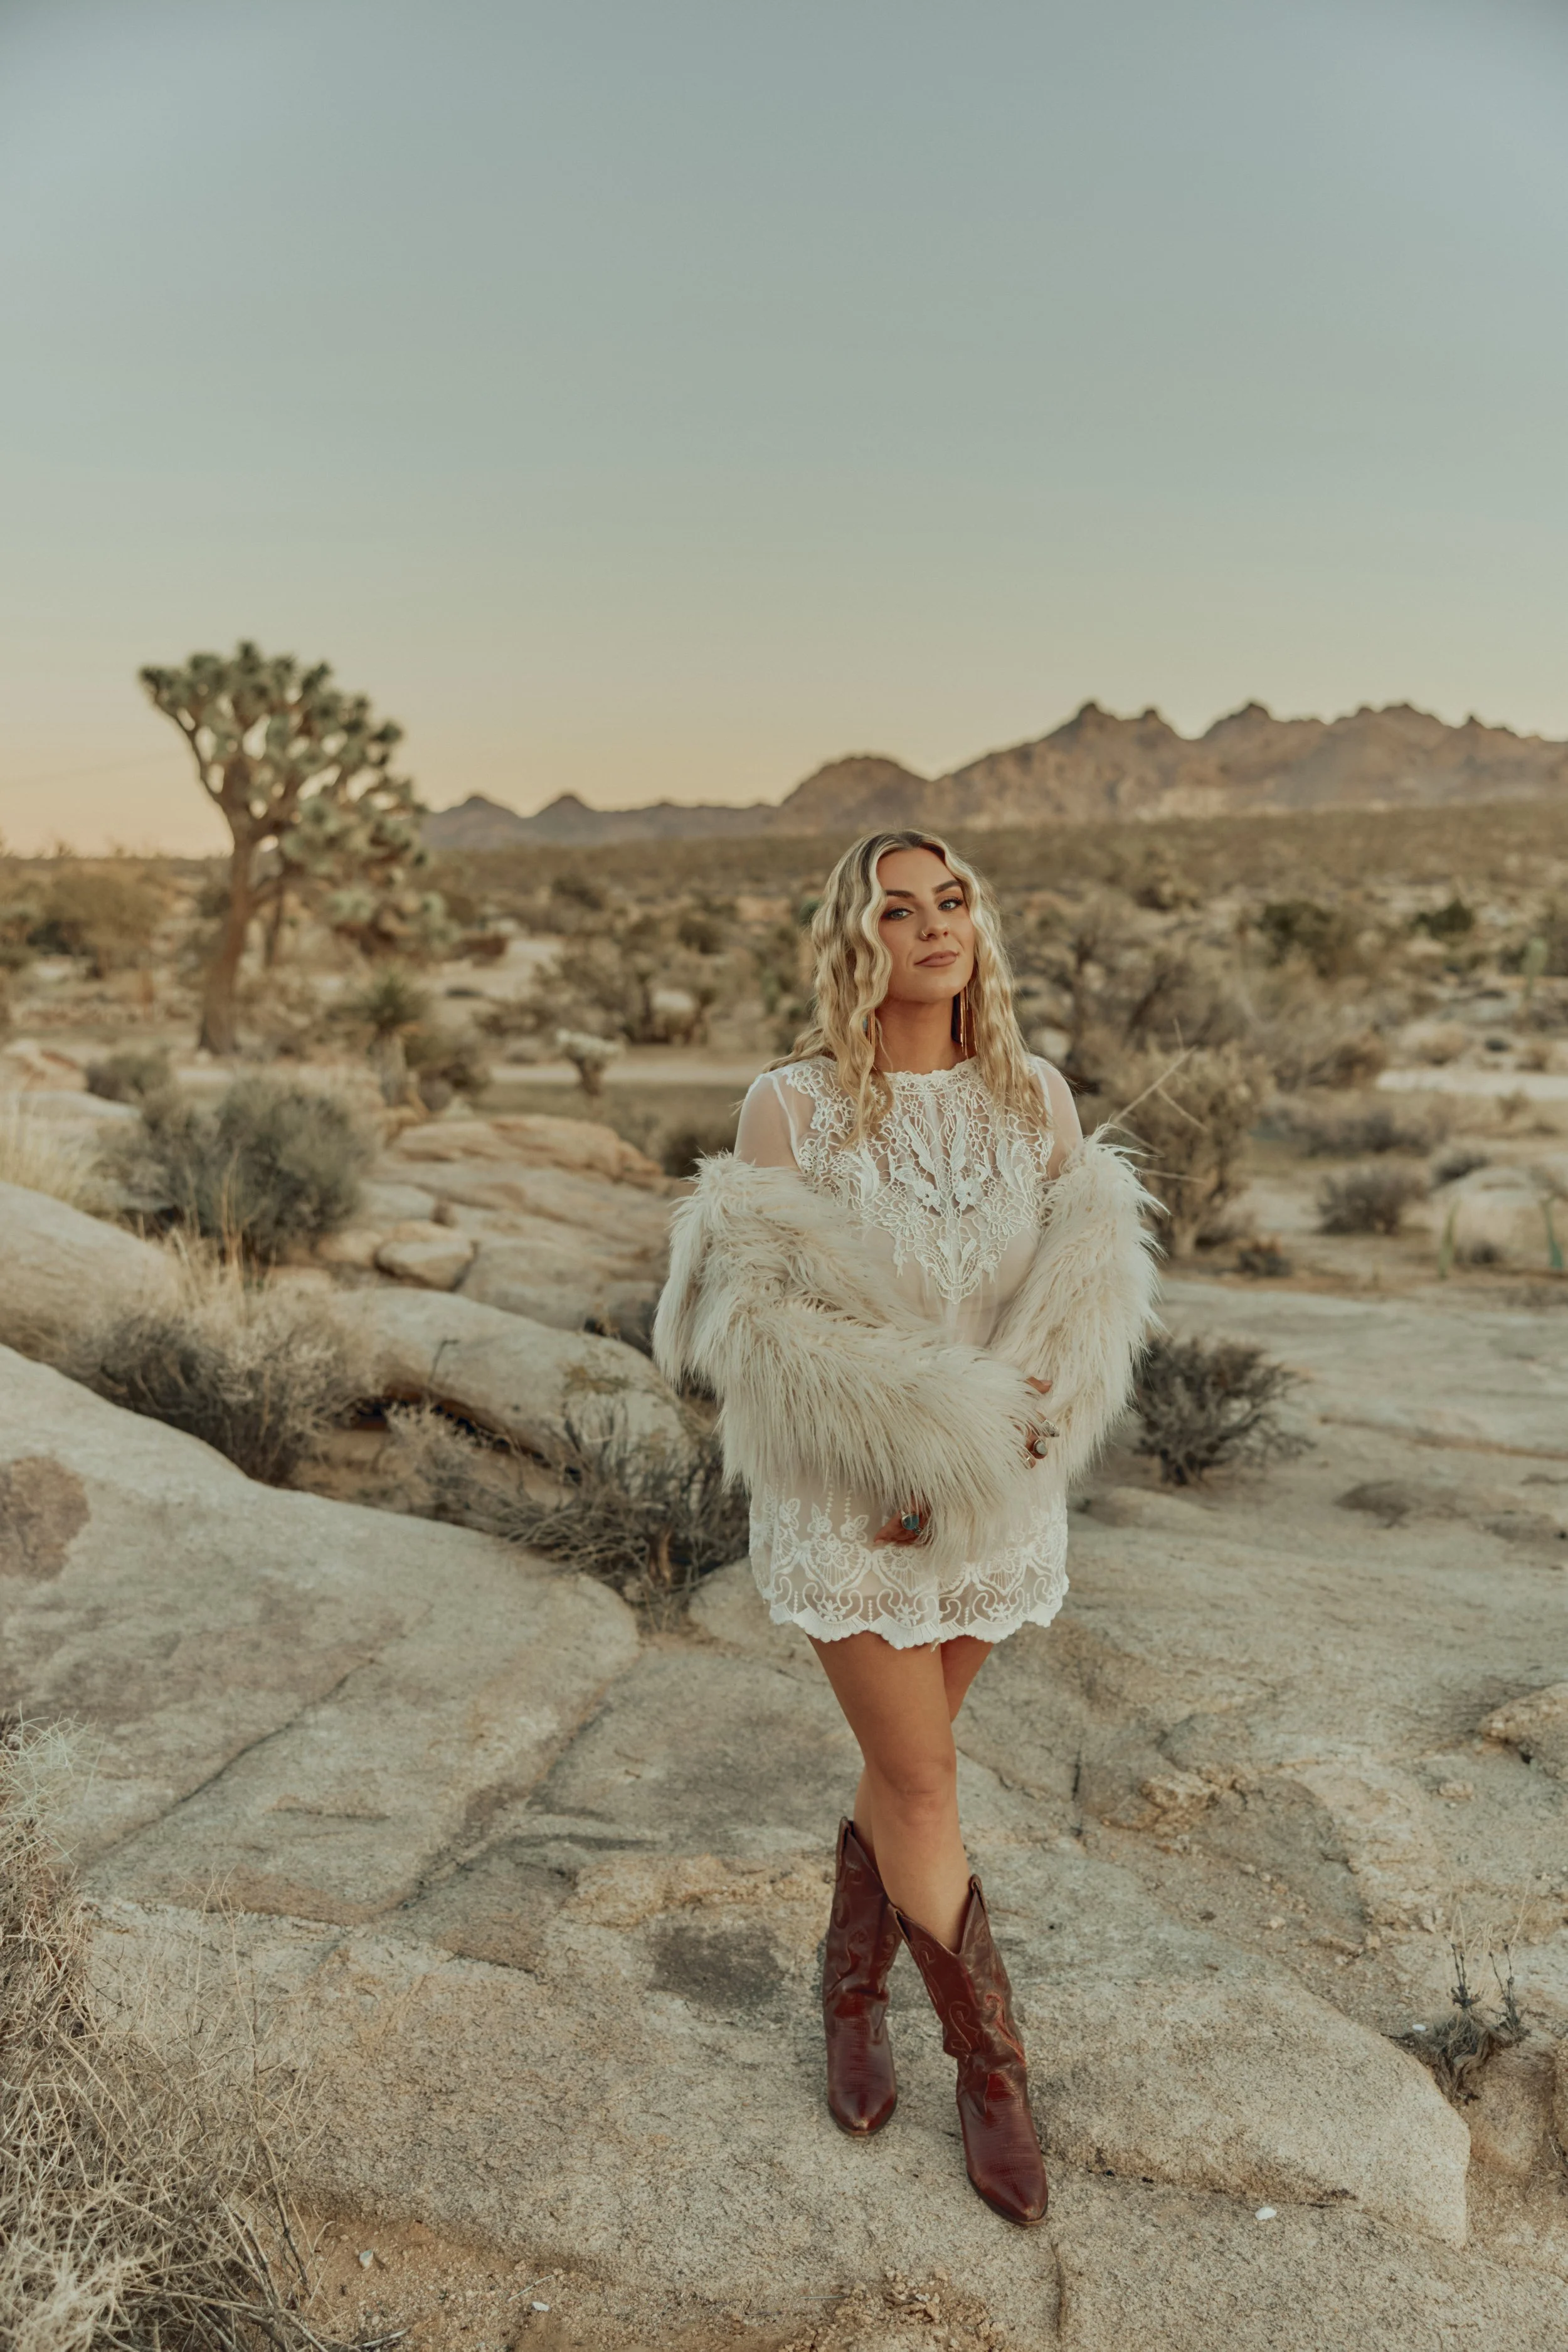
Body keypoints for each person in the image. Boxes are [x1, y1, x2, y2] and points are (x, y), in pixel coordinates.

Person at [654, 830, 1159, 2228]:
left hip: (998, 1505)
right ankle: (991, 2076)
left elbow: (1072, 1302)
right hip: (861, 1510)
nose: (933, 925)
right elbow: (766, 1332)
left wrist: (1030, 1421)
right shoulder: (793, 1109)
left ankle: (848, 1986)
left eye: (952, 901)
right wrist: (885, 1453)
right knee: (927, 1786)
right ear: (853, 938)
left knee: (903, 1772)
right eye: (898, 907)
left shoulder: (1033, 1097)